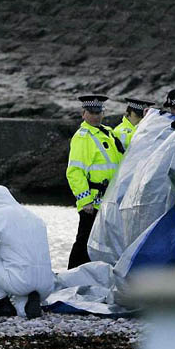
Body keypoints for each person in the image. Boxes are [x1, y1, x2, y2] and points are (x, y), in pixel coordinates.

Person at [0, 185, 54, 319]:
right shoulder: (34, 217)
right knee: (23, 311)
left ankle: (2, 305)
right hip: (47, 285)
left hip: (20, 281)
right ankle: (29, 302)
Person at [66, 95, 123, 269]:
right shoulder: (83, 137)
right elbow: (74, 171)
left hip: (108, 200)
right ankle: (72, 275)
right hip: (93, 202)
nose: (96, 116)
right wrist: (85, 201)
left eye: (99, 112)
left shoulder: (108, 132)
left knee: (101, 243)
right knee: (84, 242)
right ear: (83, 113)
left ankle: (93, 275)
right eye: (92, 112)